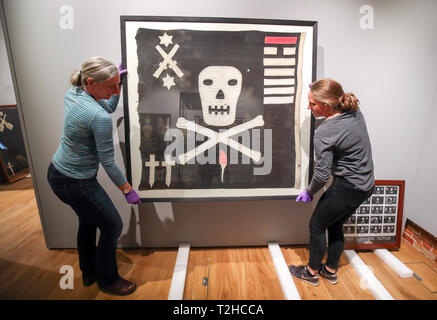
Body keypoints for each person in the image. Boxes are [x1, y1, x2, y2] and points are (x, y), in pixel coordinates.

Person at [47, 56, 141, 295]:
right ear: (91, 81)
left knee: (88, 222)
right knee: (112, 226)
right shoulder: (96, 118)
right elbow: (107, 162)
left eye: (117, 84)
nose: (115, 90)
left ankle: (89, 271)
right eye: (111, 86)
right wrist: (127, 190)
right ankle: (108, 280)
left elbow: (107, 104)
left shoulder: (74, 94)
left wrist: (115, 85)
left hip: (58, 173)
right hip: (75, 182)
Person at [289, 78, 374, 286]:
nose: (309, 107)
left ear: (327, 105)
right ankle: (330, 270)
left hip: (347, 187)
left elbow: (321, 175)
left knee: (317, 225)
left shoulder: (324, 132)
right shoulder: (354, 112)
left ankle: (311, 272)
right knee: (335, 224)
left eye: (313, 103)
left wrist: (309, 191)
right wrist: (316, 88)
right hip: (366, 186)